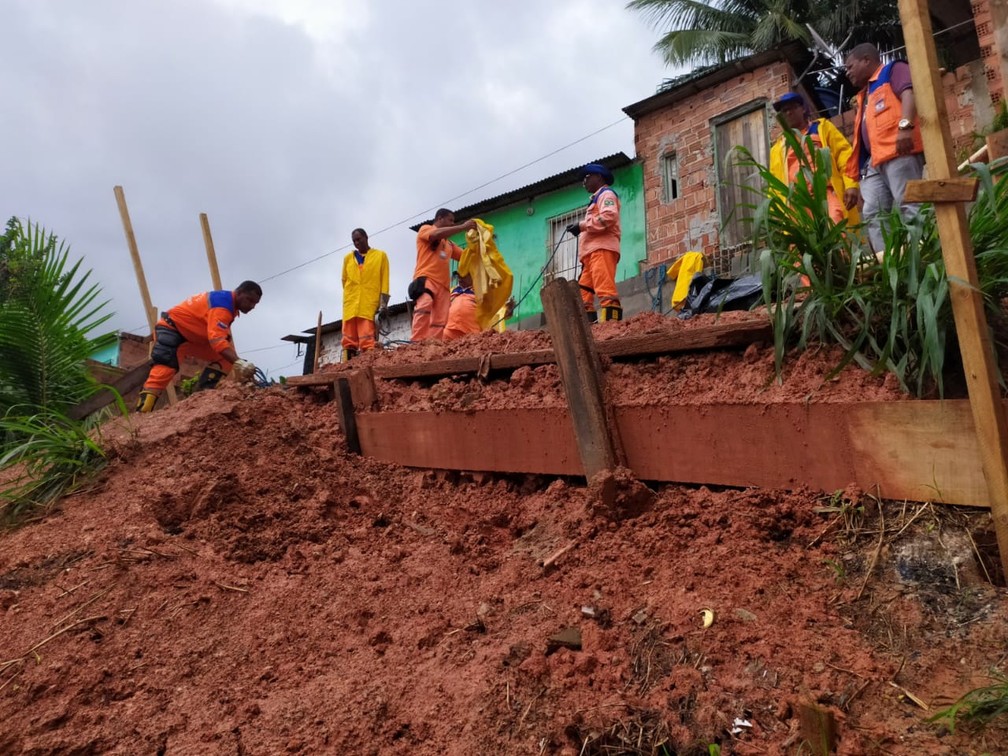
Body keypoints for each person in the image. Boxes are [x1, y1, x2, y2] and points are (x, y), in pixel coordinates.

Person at [844, 43, 925, 253]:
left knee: (910, 203)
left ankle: (923, 254)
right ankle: (888, 260)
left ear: (866, 60)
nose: (847, 72)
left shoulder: (892, 71)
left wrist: (905, 127)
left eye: (850, 66)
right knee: (873, 213)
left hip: (899, 152)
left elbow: (909, 93)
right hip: (874, 161)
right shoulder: (865, 94)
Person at [135, 281, 262, 412]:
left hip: (191, 337)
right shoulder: (222, 306)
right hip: (172, 330)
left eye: (255, 303)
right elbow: (217, 341)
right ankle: (142, 412)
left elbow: (219, 337)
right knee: (164, 370)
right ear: (239, 293)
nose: (252, 306)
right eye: (249, 300)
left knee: (225, 359)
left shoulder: (228, 304)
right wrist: (239, 362)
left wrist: (236, 361)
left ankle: (200, 399)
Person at [769, 91, 860, 225]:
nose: (788, 113)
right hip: (797, 204)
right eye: (784, 111)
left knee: (836, 224)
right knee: (804, 237)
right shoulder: (778, 148)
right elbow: (774, 184)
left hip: (826, 195)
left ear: (803, 109)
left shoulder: (821, 128)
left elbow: (844, 156)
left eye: (792, 108)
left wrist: (851, 185)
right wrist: (775, 213)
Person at [566, 163, 622, 322]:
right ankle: (589, 326)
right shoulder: (596, 199)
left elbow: (609, 217)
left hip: (602, 249)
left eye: (587, 177)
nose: (584, 182)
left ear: (599, 177)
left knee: (605, 288)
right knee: (584, 292)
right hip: (591, 254)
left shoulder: (607, 194)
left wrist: (581, 226)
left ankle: (612, 324)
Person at [410, 209, 476, 340]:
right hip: (427, 278)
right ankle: (417, 342)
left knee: (440, 319)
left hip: (444, 286)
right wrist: (463, 227)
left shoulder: (449, 244)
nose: (452, 223)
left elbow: (466, 256)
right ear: (440, 218)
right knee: (424, 304)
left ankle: (434, 344)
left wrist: (479, 245)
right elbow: (435, 235)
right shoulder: (426, 229)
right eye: (450, 220)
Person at [342, 228, 389, 360]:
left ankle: (368, 362)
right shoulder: (348, 258)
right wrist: (350, 295)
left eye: (359, 239)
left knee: (367, 338)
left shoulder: (380, 256)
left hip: (369, 304)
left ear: (366, 237)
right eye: (354, 241)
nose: (356, 243)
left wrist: (383, 303)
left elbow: (385, 281)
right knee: (348, 339)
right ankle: (347, 364)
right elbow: (344, 280)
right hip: (350, 305)